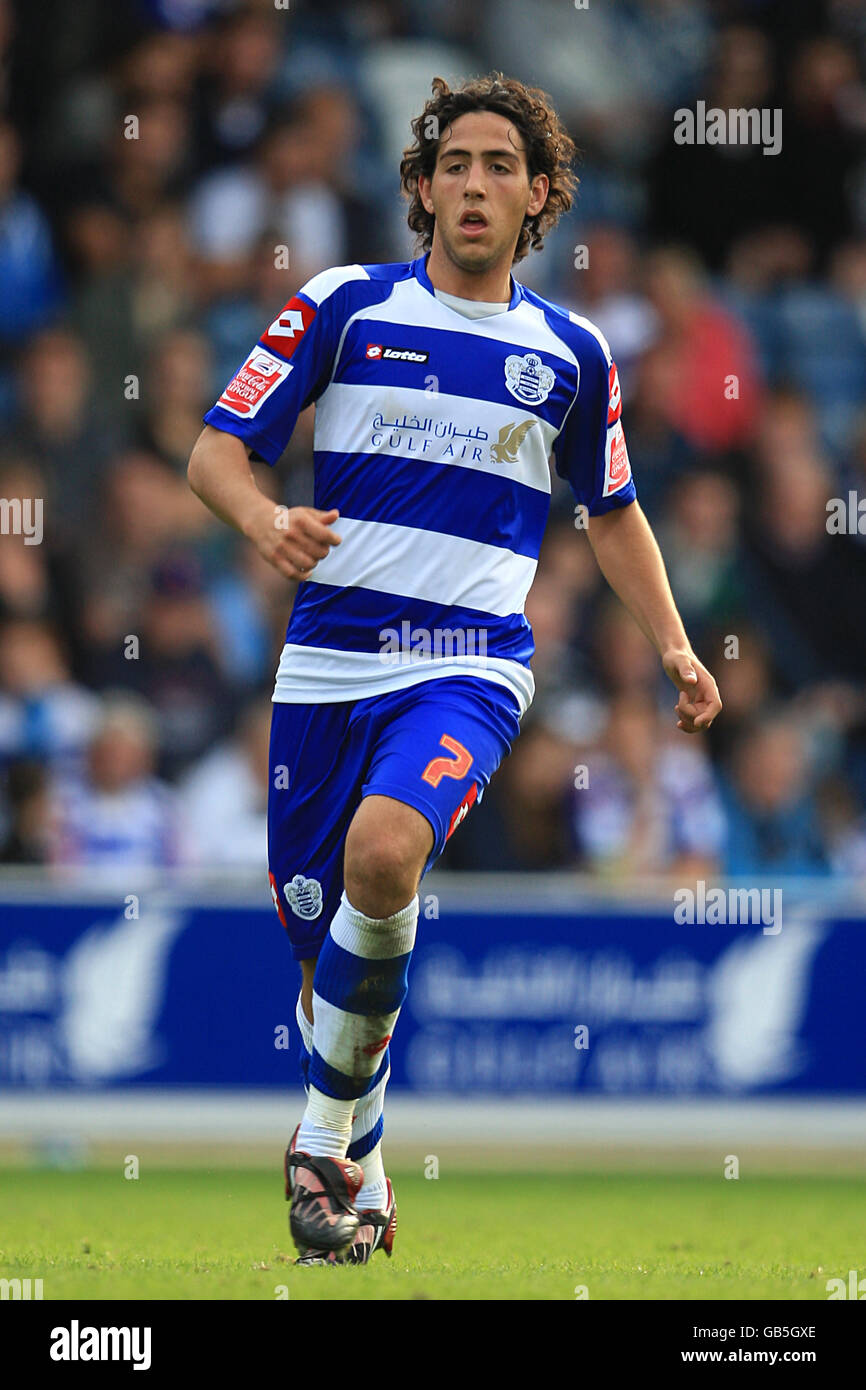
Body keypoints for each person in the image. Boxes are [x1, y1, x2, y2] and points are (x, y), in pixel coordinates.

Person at [186, 73, 722, 1266]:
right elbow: (215, 452)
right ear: (421, 187)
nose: (472, 185)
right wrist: (263, 518)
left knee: (388, 853)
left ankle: (320, 1144)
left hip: (470, 666)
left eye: (498, 167)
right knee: (326, 967)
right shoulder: (340, 304)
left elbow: (614, 510)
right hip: (325, 669)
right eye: (453, 164)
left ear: (539, 198)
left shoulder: (570, 355)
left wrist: (676, 645)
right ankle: (361, 1173)